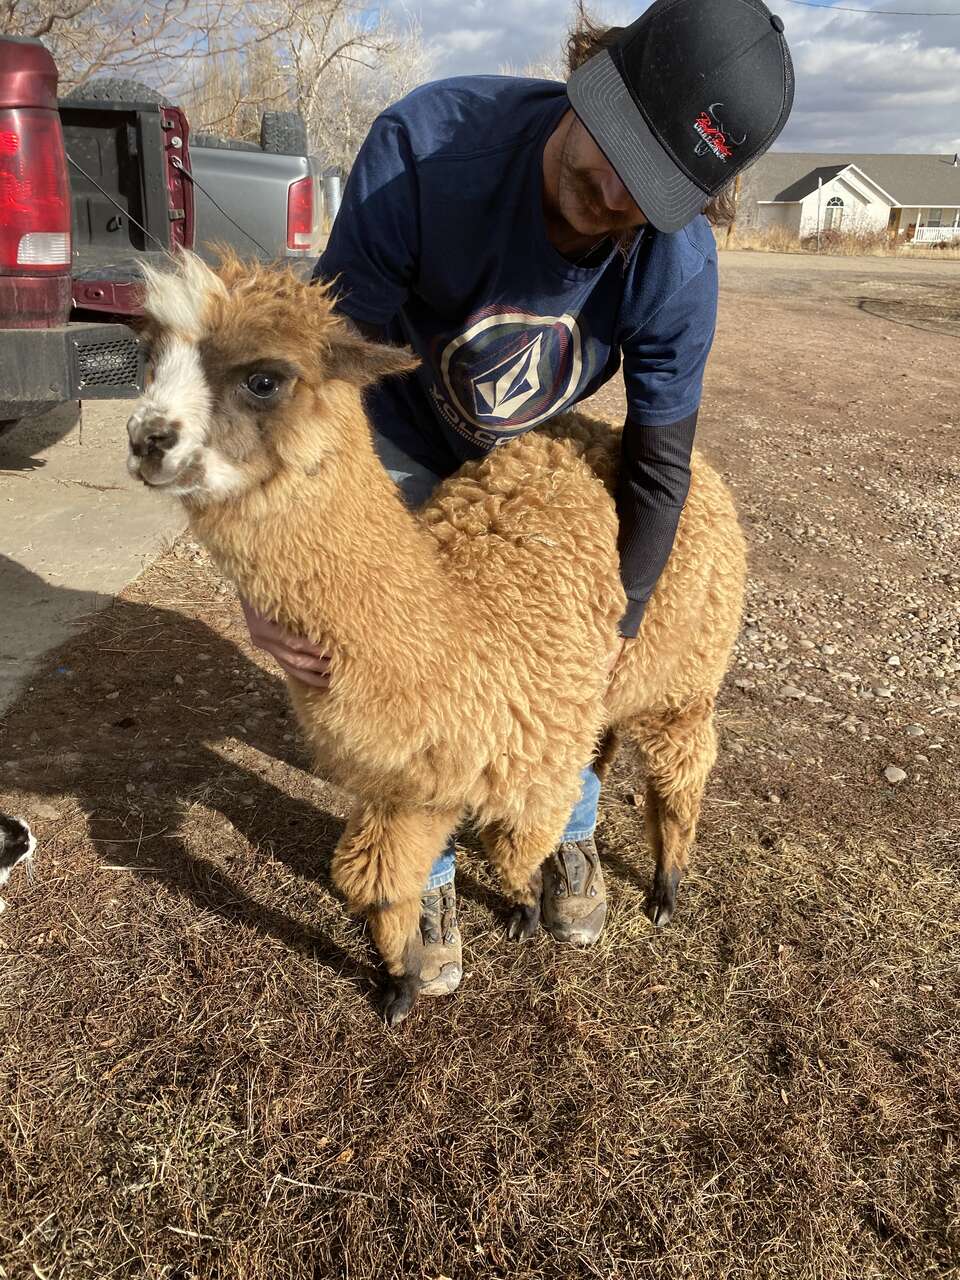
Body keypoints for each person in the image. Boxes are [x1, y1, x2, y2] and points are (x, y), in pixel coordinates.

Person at [244, 0, 794, 996]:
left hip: (527, 455)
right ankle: (435, 872)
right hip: (399, 443)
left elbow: (659, 463)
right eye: (618, 146)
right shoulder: (427, 150)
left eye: (655, 188)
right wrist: (281, 580)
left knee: (565, 674)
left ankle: (570, 829)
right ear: (593, 78)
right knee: (413, 697)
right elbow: (319, 384)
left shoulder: (674, 263)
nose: (618, 191)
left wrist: (614, 620)